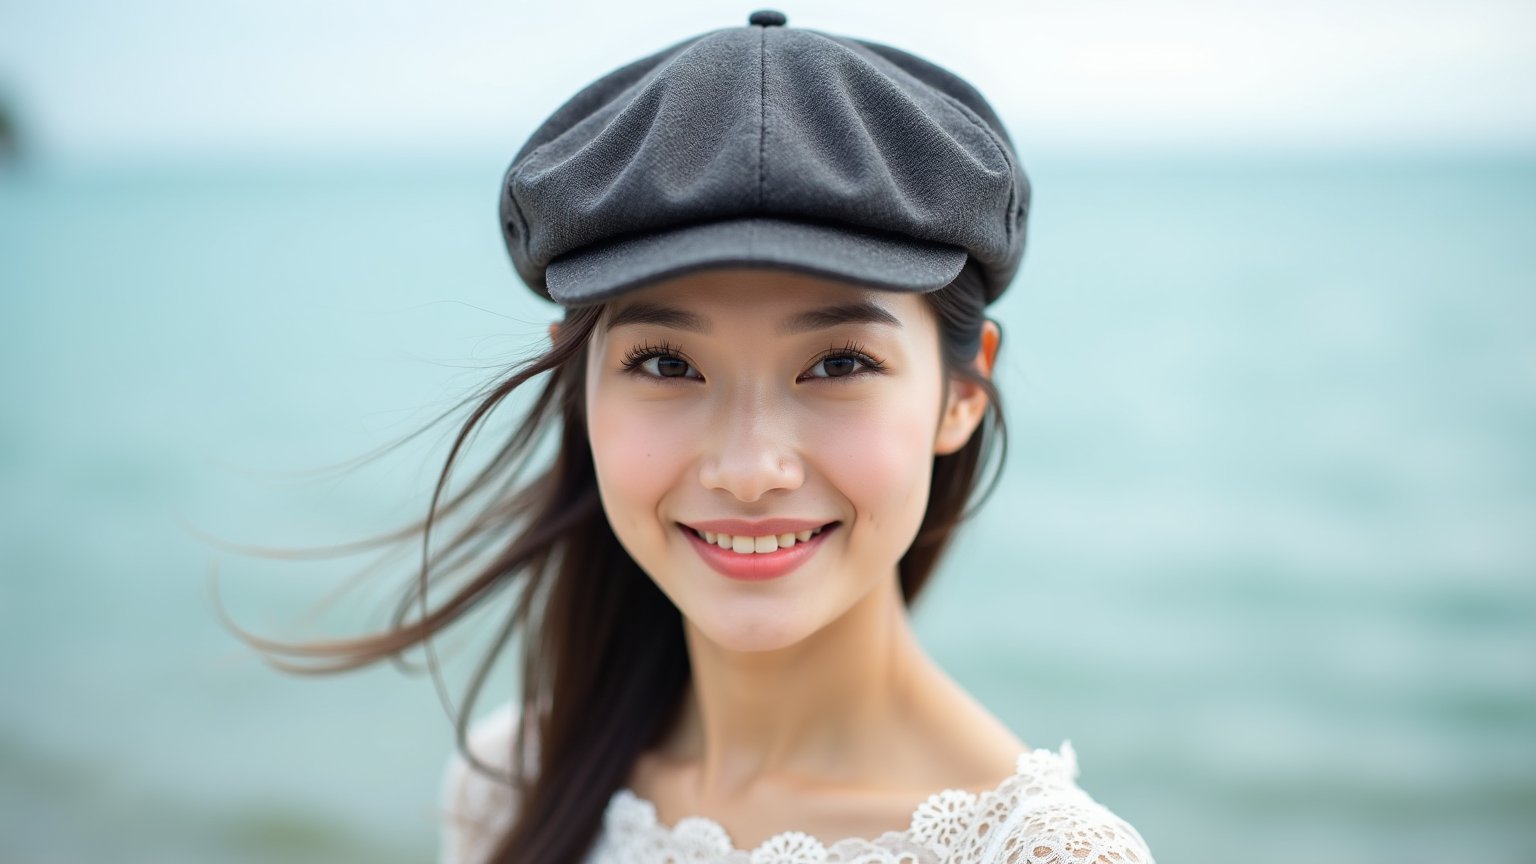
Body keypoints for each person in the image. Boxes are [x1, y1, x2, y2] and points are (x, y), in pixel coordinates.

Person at [333, 9, 1151, 863]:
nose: (749, 470)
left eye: (837, 364)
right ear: (579, 383)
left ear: (961, 393)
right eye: (664, 364)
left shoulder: (1042, 854)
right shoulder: (509, 784)